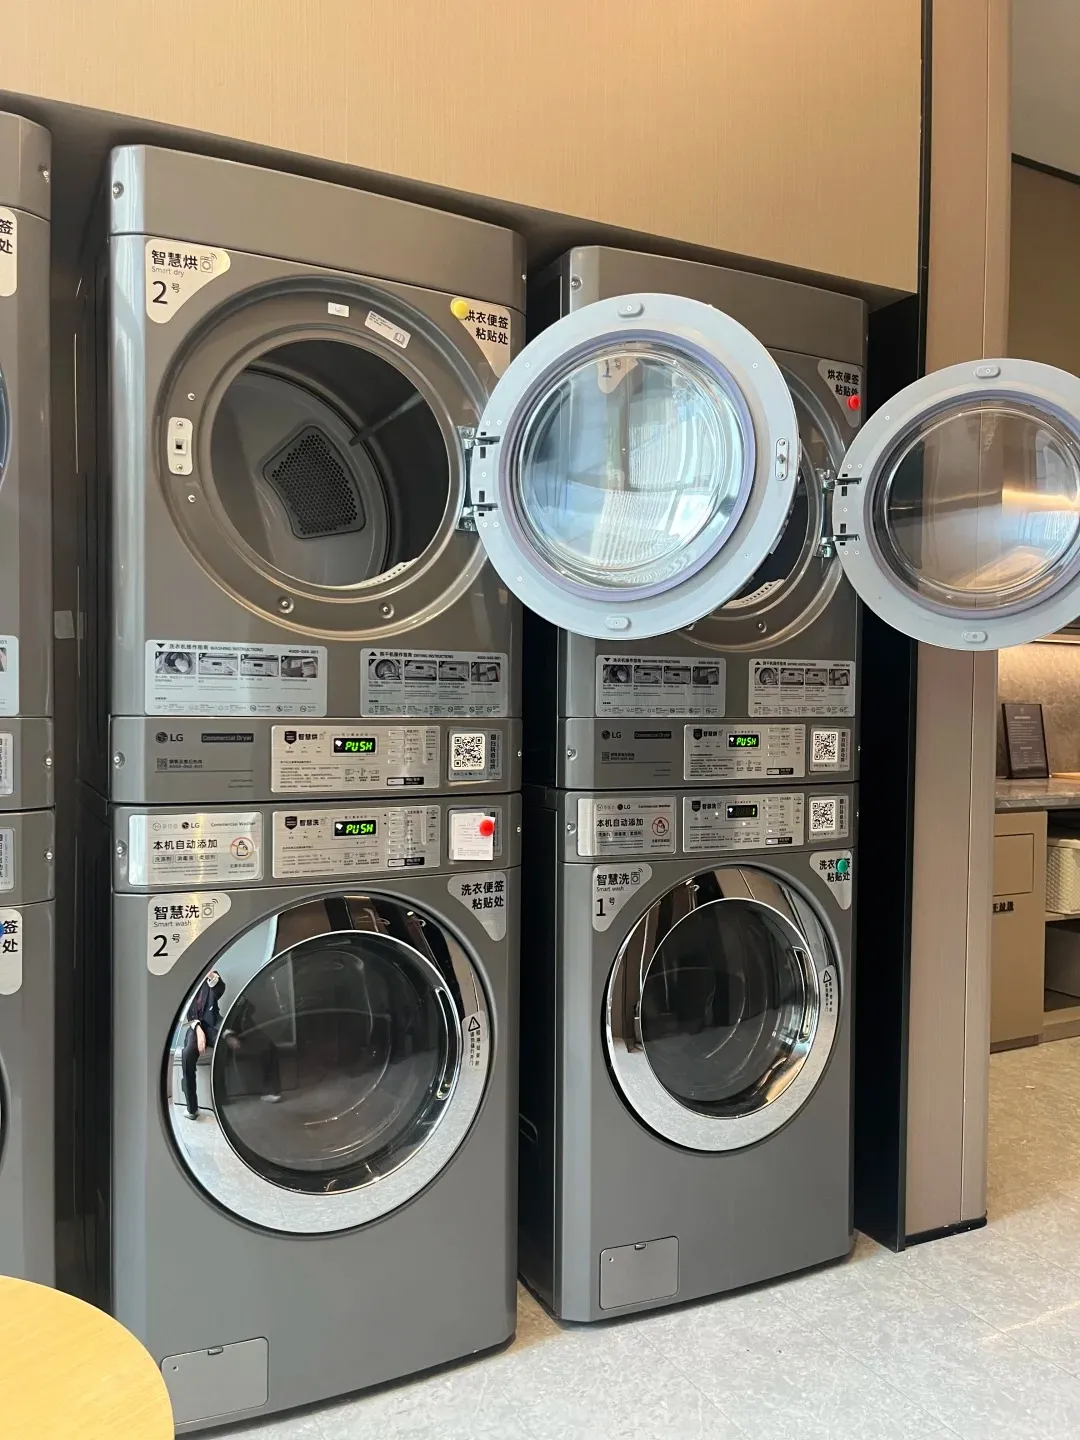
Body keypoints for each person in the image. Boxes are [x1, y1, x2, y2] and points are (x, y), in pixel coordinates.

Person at [180, 969, 226, 1120]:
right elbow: (187, 1013)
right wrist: (198, 1030)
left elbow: (219, 989)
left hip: (212, 1025)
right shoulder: (186, 983)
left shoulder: (210, 978)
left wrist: (211, 975)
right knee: (187, 1054)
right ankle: (192, 1108)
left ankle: (226, 1100)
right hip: (195, 1027)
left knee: (232, 1041)